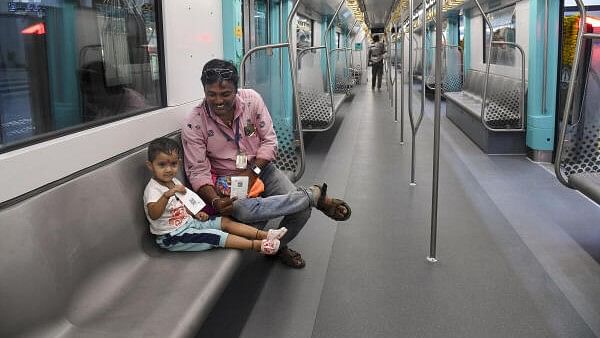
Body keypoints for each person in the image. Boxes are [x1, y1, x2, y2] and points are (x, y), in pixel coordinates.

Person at [181, 59, 352, 268]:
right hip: (226, 182)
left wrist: (252, 174)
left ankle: (278, 245)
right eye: (211, 94)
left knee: (301, 211)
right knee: (243, 212)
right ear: (204, 91)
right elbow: (198, 171)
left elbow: (269, 141)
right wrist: (216, 200)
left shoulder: (252, 100)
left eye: (225, 94)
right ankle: (312, 196)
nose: (218, 101)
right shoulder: (195, 121)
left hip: (262, 169)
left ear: (236, 88)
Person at [143, 137, 288, 255]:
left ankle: (265, 235)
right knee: (214, 235)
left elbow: (179, 206)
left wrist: (196, 213)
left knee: (224, 221)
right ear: (150, 166)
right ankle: (258, 245)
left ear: (179, 164)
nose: (168, 170)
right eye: (162, 165)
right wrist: (166, 196)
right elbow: (154, 214)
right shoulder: (153, 190)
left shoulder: (173, 181)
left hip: (188, 223)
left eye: (173, 164)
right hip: (172, 236)